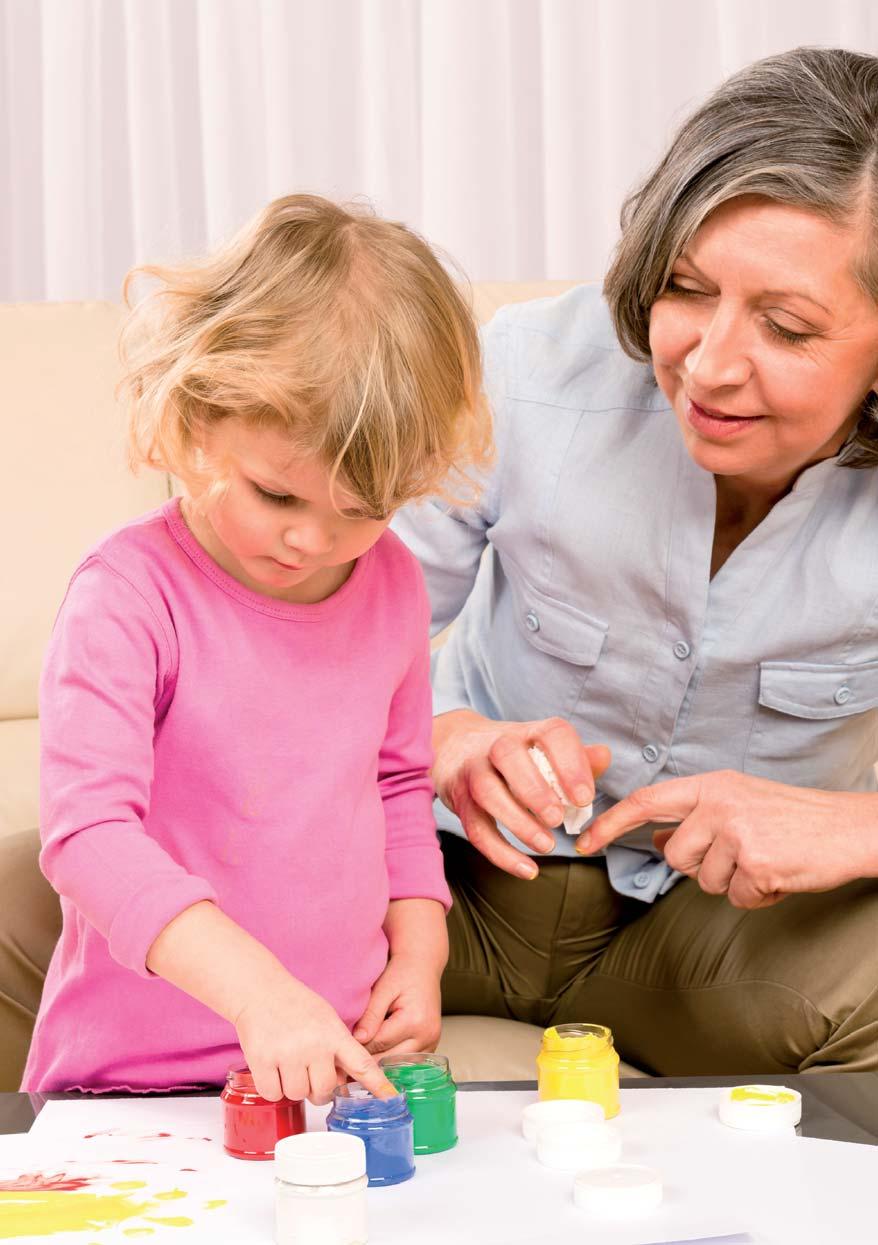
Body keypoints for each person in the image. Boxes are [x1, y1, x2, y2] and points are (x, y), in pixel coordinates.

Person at [392, 46, 878, 1074]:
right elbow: (298, 637)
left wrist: (854, 829)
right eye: (684, 289)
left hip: (724, 940)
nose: (706, 366)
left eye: (785, 326)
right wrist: (441, 737)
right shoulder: (525, 369)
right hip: (443, 883)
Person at [19, 194, 491, 1099]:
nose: (311, 541)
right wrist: (259, 994)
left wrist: (421, 947)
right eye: (278, 496)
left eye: (362, 511)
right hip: (133, 1079)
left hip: (328, 1067)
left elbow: (395, 783)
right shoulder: (128, 595)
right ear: (198, 415)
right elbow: (87, 835)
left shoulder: (391, 582)